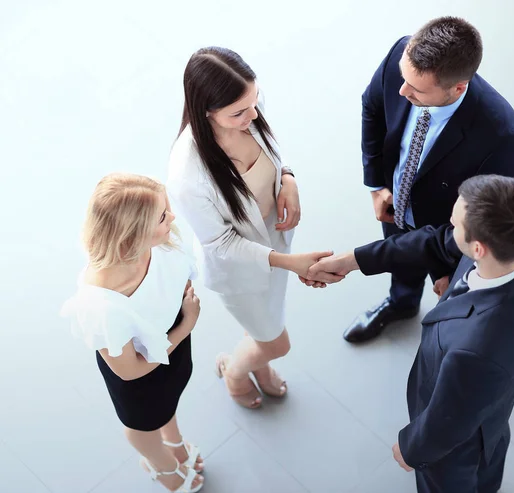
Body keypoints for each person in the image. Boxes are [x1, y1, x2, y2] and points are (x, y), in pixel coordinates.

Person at [305, 175, 514, 492]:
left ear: (478, 248)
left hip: (459, 444)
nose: (449, 225)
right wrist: (353, 260)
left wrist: (412, 450)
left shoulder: (475, 350)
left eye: (455, 223)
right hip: (492, 401)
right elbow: (435, 242)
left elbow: (448, 419)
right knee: (490, 459)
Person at [167, 47, 338, 409]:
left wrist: (288, 176)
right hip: (240, 269)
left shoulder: (244, 107)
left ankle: (257, 358)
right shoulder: (187, 175)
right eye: (241, 112)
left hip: (273, 244)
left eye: (255, 102)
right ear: (207, 111)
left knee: (266, 322)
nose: (254, 114)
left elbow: (272, 143)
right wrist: (287, 262)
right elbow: (221, 244)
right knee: (278, 342)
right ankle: (235, 373)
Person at [345, 16, 514, 343]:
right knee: (398, 257)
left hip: (443, 232)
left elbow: (485, 221)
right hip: (392, 202)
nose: (402, 91)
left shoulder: (501, 136)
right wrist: (377, 186)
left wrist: (447, 264)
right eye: (403, 78)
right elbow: (372, 108)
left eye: (416, 89)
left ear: (457, 88)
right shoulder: (402, 55)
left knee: (451, 320)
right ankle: (401, 303)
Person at [61, 173, 204, 493]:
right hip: (143, 371)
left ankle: (174, 440)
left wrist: (180, 325)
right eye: (163, 216)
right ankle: (163, 466)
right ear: (133, 233)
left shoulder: (162, 242)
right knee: (142, 423)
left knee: (166, 403)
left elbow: (178, 281)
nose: (173, 218)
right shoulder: (101, 306)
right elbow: (130, 370)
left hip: (171, 345)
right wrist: (185, 327)